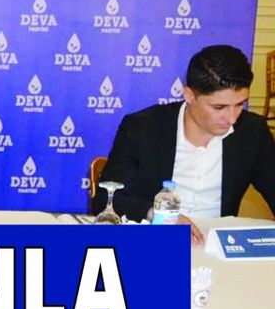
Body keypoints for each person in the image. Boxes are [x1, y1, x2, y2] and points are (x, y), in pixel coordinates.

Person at [95, 44, 275, 243]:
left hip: (218, 245)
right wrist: (154, 214)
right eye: (219, 107)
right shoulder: (143, 128)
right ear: (189, 95)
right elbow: (104, 200)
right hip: (154, 239)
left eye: (240, 104)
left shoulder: (252, 131)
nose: (232, 118)